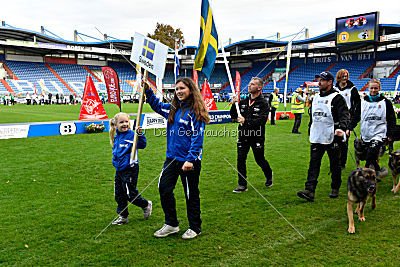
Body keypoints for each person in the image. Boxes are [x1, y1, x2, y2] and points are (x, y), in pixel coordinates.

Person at [144, 77, 209, 239]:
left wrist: (190, 159)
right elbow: (157, 106)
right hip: (171, 159)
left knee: (190, 194)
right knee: (164, 188)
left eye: (182, 88)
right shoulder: (173, 108)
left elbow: (197, 137)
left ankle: (195, 227)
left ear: (190, 90)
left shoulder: (195, 111)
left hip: (189, 161)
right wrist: (147, 89)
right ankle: (171, 224)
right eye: (177, 89)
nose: (179, 91)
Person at [297, 71, 350, 202]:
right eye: (319, 80)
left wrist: (341, 128)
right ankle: (309, 191)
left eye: (322, 80)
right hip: (317, 136)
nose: (319, 82)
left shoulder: (337, 97)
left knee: (335, 165)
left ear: (330, 82)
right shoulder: (315, 97)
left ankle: (335, 187)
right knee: (313, 164)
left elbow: (344, 115)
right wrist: (311, 129)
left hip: (333, 136)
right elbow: (313, 116)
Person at [230, 77, 273, 192]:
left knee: (259, 159)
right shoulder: (244, 101)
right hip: (243, 136)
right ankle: (242, 184)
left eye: (252, 84)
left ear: (259, 87)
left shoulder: (264, 103)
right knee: (240, 159)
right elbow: (233, 116)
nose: (249, 86)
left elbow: (262, 121)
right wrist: (234, 104)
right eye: (249, 84)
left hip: (257, 136)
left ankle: (269, 175)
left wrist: (246, 121)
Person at [108, 112, 152, 225]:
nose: (124, 124)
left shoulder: (132, 135)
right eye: (121, 122)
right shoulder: (116, 136)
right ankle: (123, 216)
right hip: (119, 170)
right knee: (119, 194)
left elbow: (142, 145)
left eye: (126, 122)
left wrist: (140, 135)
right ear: (116, 124)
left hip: (130, 169)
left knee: (130, 194)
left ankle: (145, 204)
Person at [348, 78, 396, 178]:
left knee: (371, 153)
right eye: (371, 88)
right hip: (366, 134)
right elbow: (356, 117)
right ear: (368, 89)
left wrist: (390, 134)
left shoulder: (386, 102)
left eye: (376, 88)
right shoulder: (362, 102)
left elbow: (391, 119)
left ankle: (364, 175)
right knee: (369, 156)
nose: (373, 90)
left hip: (379, 134)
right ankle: (378, 172)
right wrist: (349, 128)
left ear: (379, 89)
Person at [334, 69, 361, 170]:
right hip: (336, 117)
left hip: (347, 118)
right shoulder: (334, 88)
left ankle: (342, 163)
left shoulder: (352, 89)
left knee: (344, 141)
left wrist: (352, 114)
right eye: (343, 76)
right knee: (335, 141)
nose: (345, 78)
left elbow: (357, 103)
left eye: (346, 76)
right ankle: (335, 161)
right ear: (339, 77)